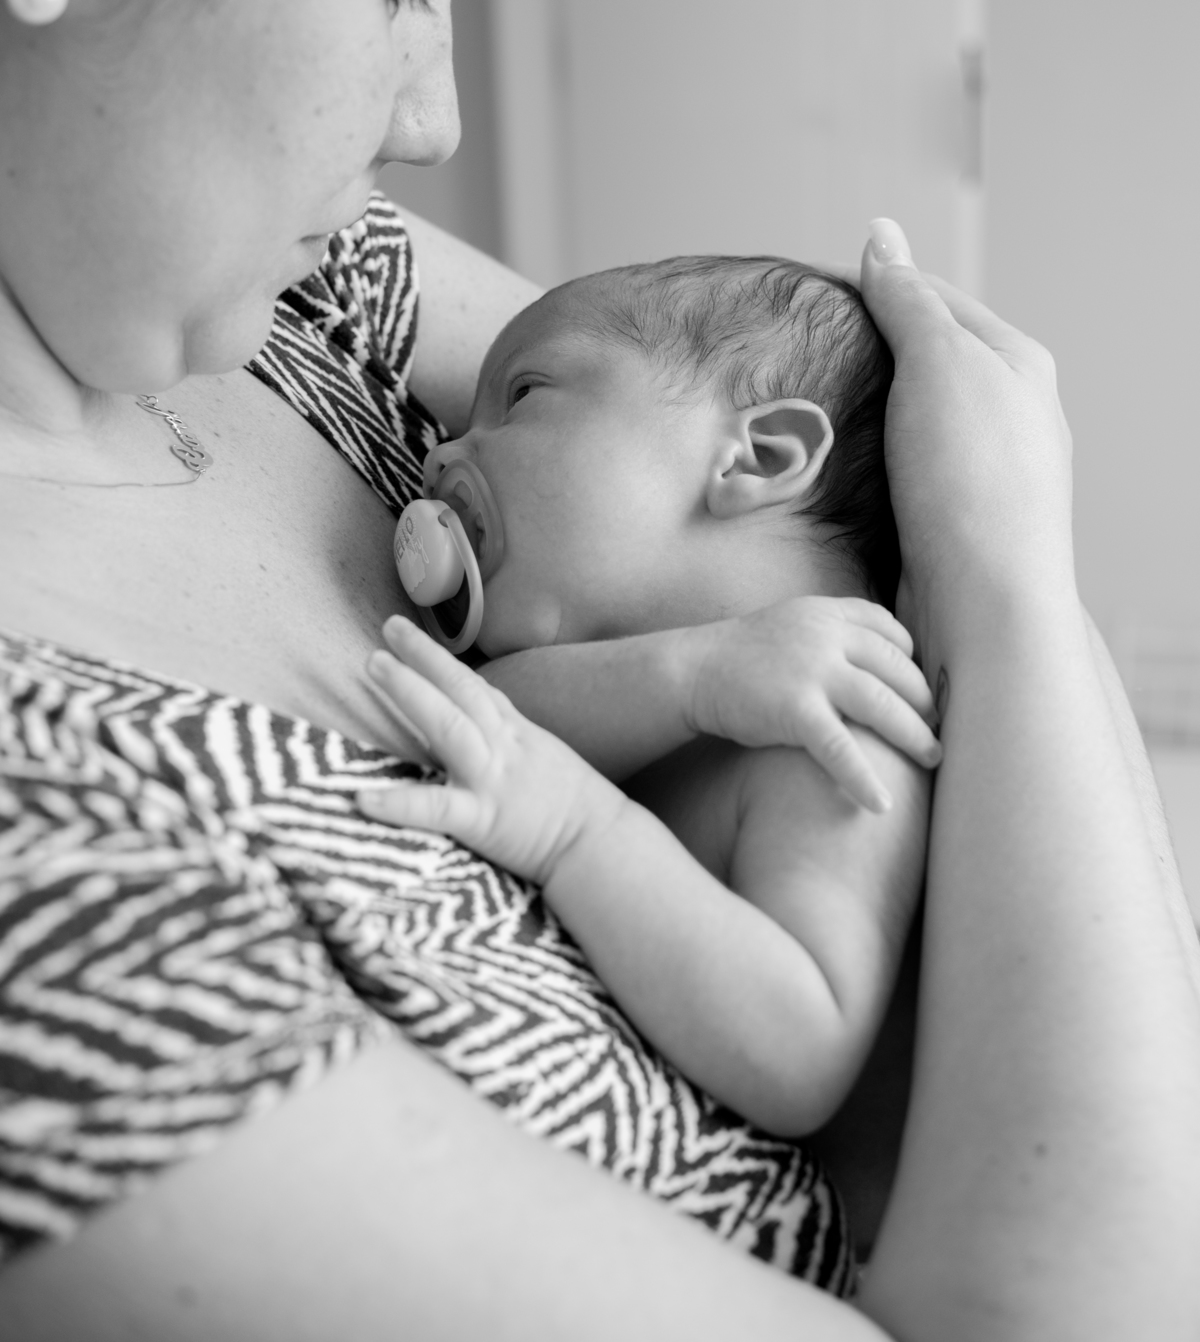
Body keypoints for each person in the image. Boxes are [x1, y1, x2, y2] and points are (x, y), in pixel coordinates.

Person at [1, 0, 1199, 1338]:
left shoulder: (304, 286)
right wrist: (1013, 578)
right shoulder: (45, 884)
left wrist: (992, 557)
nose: (435, 119)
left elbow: (808, 444)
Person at [359, 254, 939, 1142]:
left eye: (523, 395)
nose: (441, 455)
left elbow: (798, 1047)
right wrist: (688, 675)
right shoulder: (650, 675)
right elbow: (485, 717)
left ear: (757, 456)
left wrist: (577, 831)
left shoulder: (844, 724)